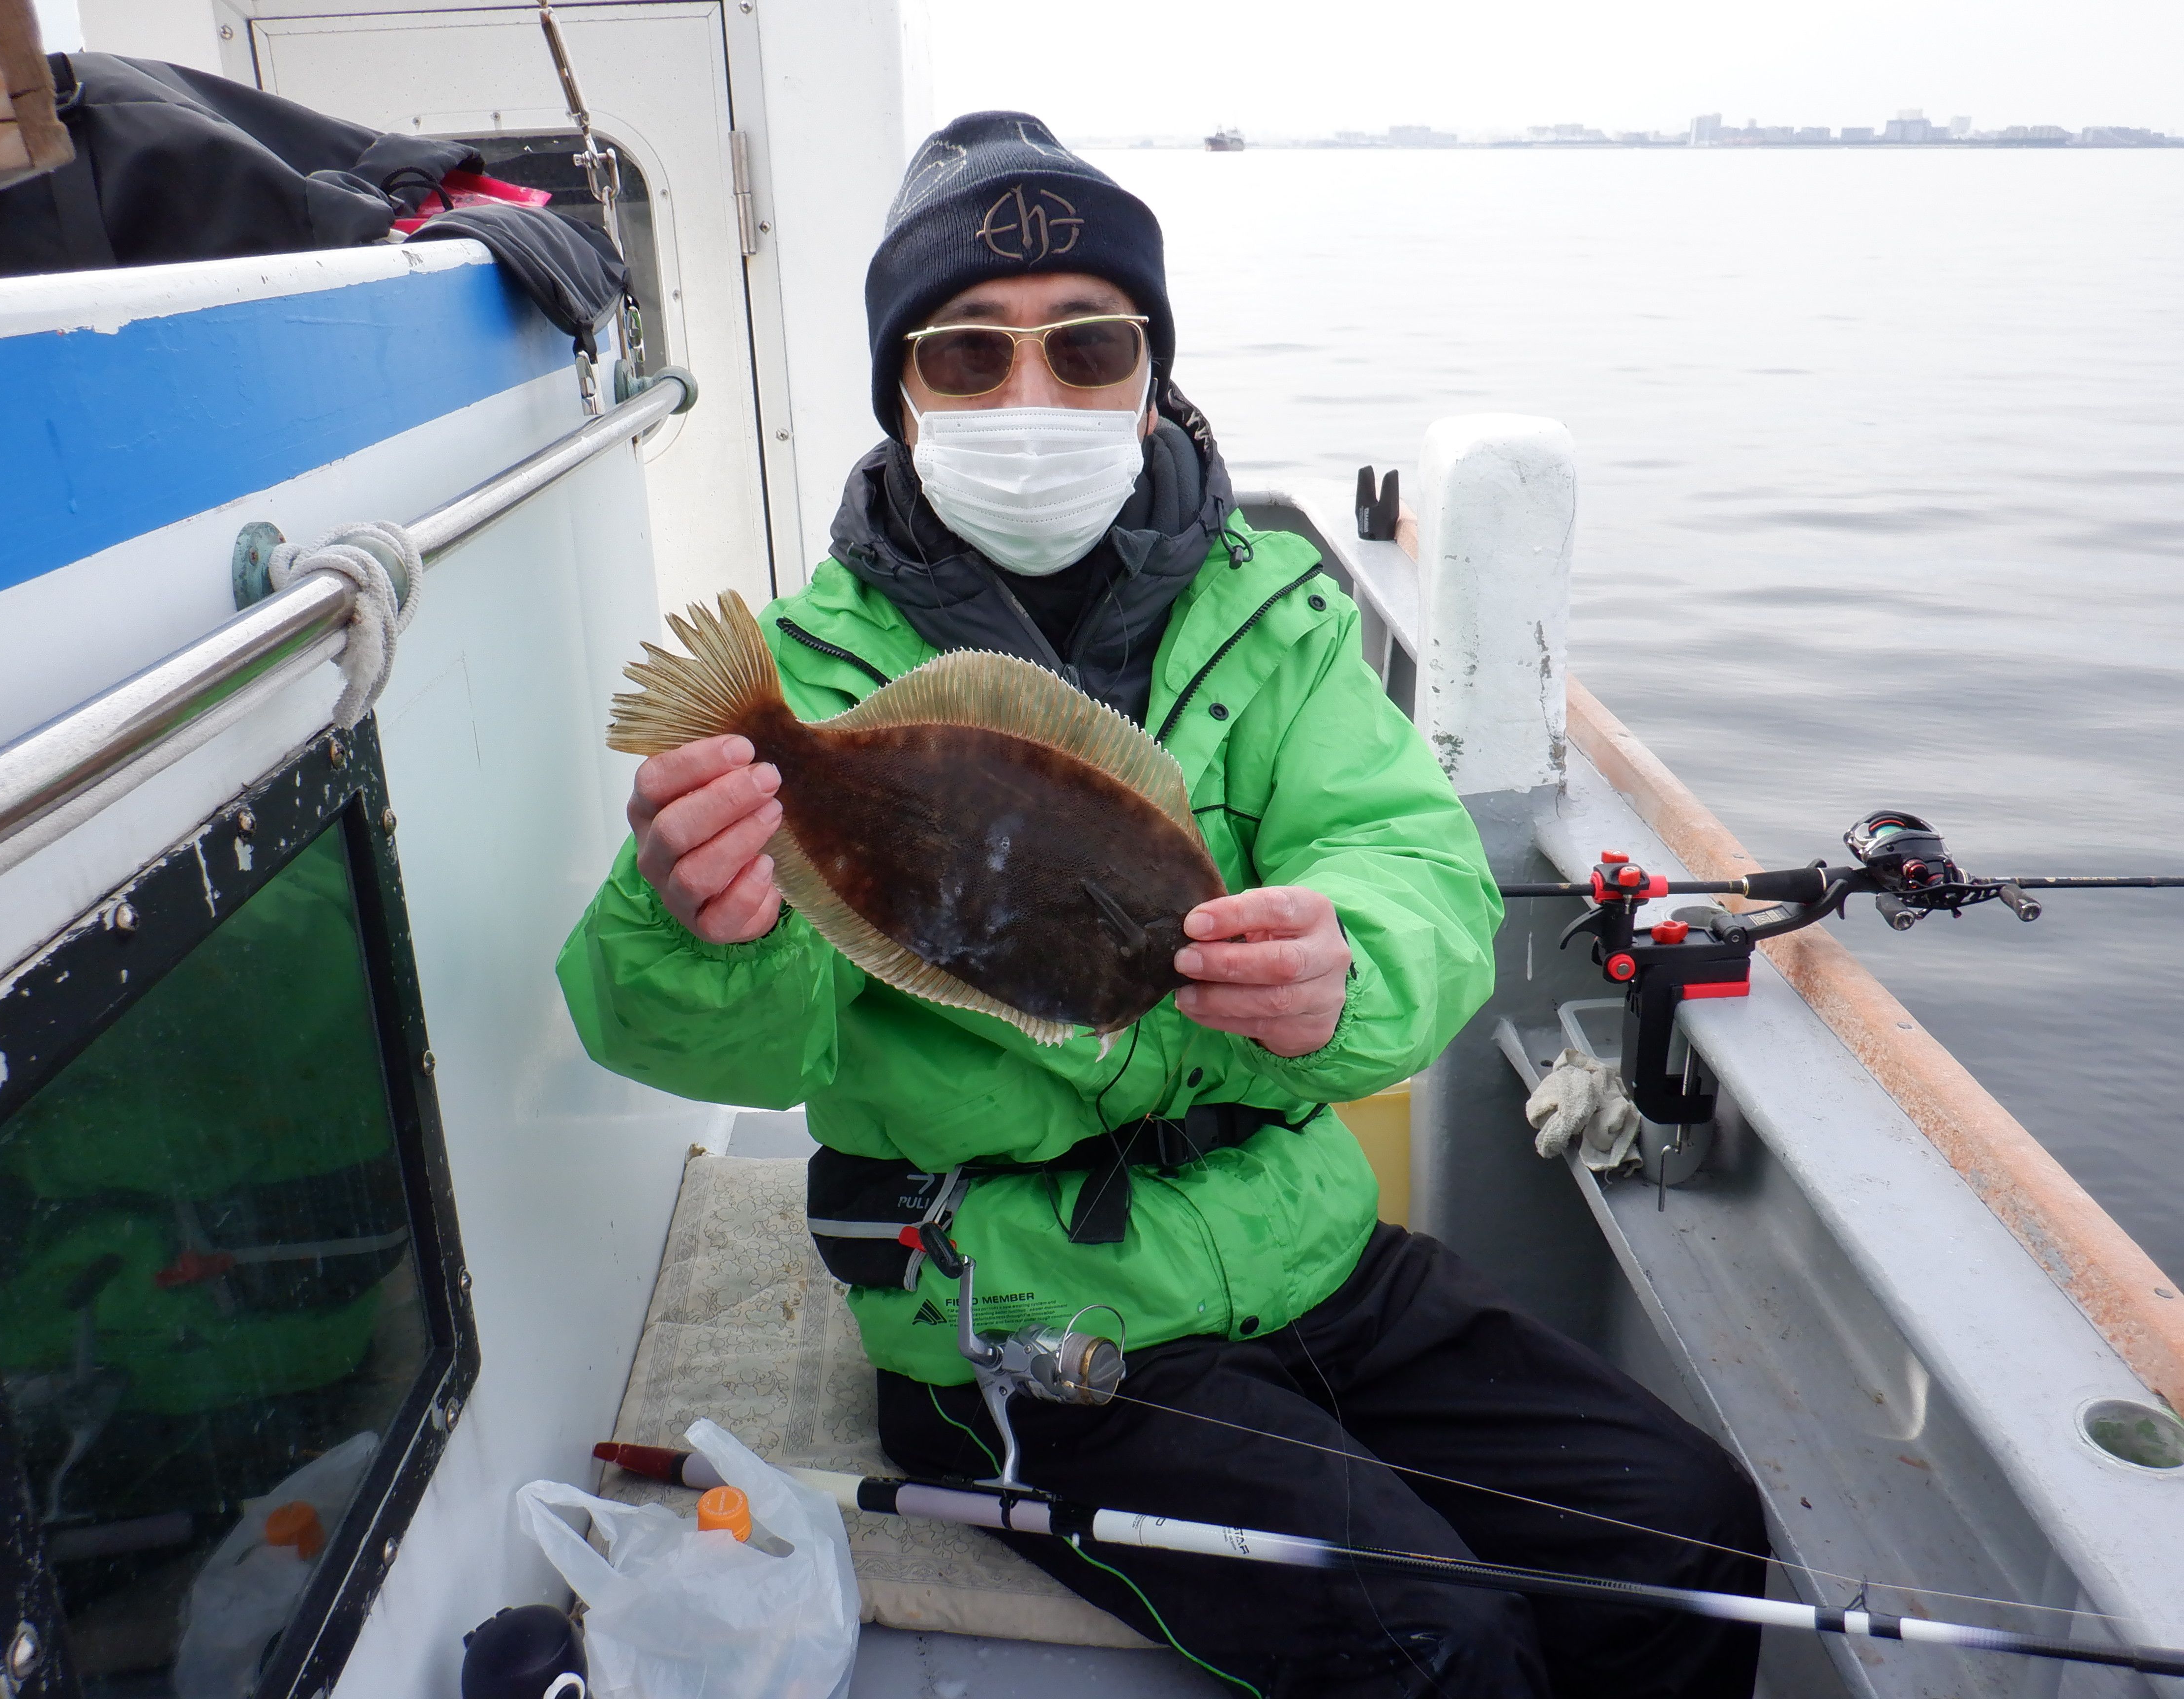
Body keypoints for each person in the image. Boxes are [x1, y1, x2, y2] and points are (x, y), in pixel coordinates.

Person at [559, 111, 1766, 1698]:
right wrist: (704, 930)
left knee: (1688, 1528)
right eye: (968, 355)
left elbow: (1413, 869)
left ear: (1152, 375)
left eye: (1088, 345)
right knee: (1435, 1640)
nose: (1033, 396)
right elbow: (718, 1043)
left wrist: (1350, 968)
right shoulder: (802, 678)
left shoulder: (1276, 615)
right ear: (903, 393)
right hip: (1014, 1314)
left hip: (1301, 1243)